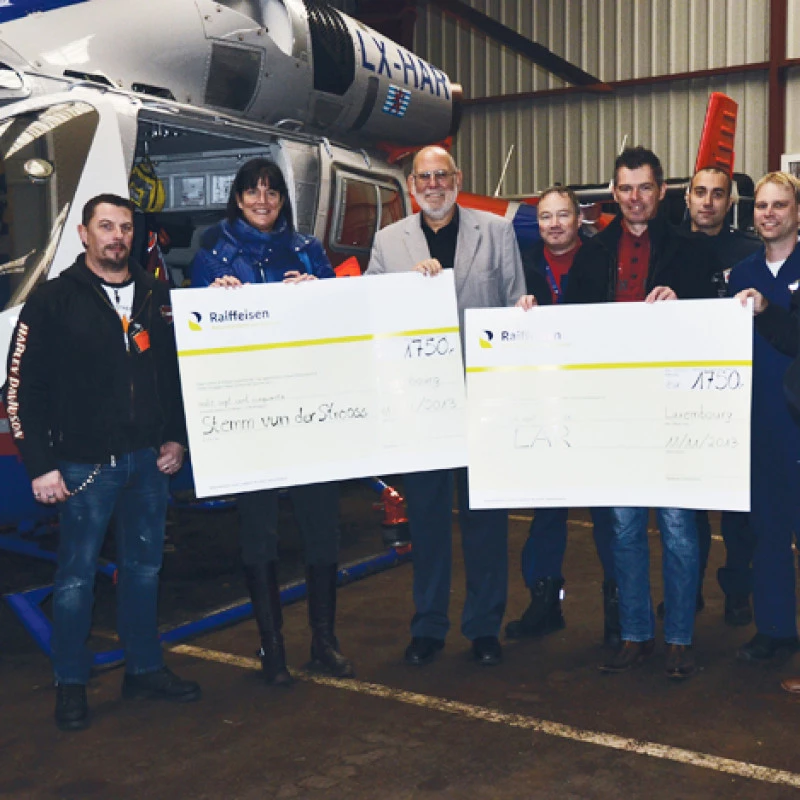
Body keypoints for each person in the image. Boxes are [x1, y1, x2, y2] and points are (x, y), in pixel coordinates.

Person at [4, 193, 201, 731]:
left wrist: (175, 439)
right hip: (81, 467)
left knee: (144, 570)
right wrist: (40, 465)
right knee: (74, 581)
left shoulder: (158, 296)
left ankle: (144, 668)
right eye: (106, 226)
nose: (117, 236)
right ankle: (70, 682)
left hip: (148, 464)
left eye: (125, 228)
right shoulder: (52, 301)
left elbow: (176, 376)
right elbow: (21, 391)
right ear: (84, 235)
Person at [191, 157, 354, 683]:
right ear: (237, 199)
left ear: (283, 199)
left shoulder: (309, 250)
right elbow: (197, 339)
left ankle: (324, 642)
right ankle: (272, 649)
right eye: (252, 191)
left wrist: (318, 291)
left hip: (309, 416)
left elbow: (339, 328)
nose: (263, 200)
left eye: (272, 191)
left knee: (321, 530)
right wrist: (211, 306)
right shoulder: (211, 256)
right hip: (250, 419)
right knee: (257, 532)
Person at [366, 145, 527, 667]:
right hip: (423, 407)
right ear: (411, 186)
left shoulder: (496, 231)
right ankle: (428, 626)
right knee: (430, 522)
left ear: (458, 178)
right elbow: (368, 313)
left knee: (485, 520)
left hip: (483, 401)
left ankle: (484, 627)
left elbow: (512, 310)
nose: (433, 185)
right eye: (424, 178)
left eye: (442, 175)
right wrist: (404, 291)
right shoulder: (390, 242)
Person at [566, 146, 719, 680]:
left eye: (645, 188)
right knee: (625, 530)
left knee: (678, 529)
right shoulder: (592, 254)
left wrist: (685, 302)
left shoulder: (691, 254)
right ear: (614, 193)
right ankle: (635, 634)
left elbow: (713, 325)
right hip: (617, 411)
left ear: (661, 193)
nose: (635, 198)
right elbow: (567, 329)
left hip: (674, 409)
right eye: (626, 188)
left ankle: (678, 638)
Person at [507, 186, 619, 647]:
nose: (554, 224)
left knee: (608, 513)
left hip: (593, 402)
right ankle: (544, 602)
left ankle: (619, 609)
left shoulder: (602, 261)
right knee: (547, 511)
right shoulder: (522, 265)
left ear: (579, 219)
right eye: (546, 216)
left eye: (563, 215)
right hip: (543, 404)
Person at [680, 167, 762, 626]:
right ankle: (685, 587)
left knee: (737, 508)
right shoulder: (667, 249)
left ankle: (737, 589)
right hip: (684, 399)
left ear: (729, 203)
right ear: (687, 198)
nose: (707, 201)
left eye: (717, 195)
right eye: (700, 193)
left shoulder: (750, 252)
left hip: (737, 397)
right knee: (685, 507)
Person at [727, 171, 800, 664]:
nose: (768, 213)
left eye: (779, 205)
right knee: (768, 529)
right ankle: (774, 627)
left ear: (797, 212)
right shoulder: (741, 272)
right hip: (758, 425)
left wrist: (768, 309)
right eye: (760, 206)